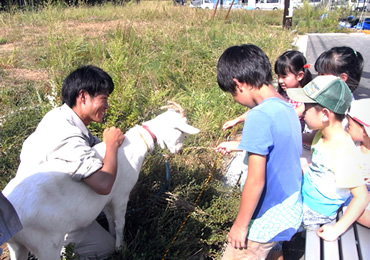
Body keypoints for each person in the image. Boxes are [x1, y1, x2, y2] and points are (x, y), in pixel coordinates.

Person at [15, 65, 125, 258]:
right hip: (38, 216)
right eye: (104, 99)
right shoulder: (66, 135)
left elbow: (92, 150)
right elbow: (103, 184)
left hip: (29, 206)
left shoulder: (60, 116)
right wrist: (112, 146)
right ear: (83, 96)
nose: (107, 106)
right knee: (104, 247)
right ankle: (47, 249)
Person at [215, 44, 303, 259]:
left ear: (238, 84)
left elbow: (256, 180)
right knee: (273, 252)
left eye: (231, 93)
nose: (235, 99)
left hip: (265, 216)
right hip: (288, 207)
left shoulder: (259, 115)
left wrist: (240, 225)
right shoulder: (286, 105)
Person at [287, 75, 368, 241]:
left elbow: (362, 196)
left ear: (324, 114)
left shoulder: (343, 152)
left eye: (307, 107)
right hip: (308, 193)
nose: (302, 113)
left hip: (317, 211)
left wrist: (337, 229)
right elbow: (310, 139)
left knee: (274, 225)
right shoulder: (324, 134)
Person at [222, 50, 312, 132]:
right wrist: (238, 119)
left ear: (299, 75)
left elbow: (289, 115)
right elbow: (262, 109)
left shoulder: (305, 100)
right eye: (278, 76)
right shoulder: (282, 95)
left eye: (284, 77)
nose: (280, 81)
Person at [346, 98, 370, 227]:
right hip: (352, 195)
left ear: (364, 131)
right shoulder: (352, 145)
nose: (346, 128)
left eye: (349, 125)